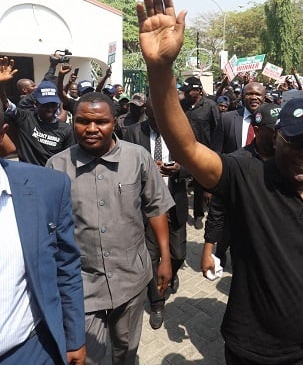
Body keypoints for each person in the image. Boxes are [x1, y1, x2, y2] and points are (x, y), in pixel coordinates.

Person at [137, 0, 303, 363]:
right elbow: (187, 147)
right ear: (275, 139)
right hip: (254, 351)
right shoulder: (247, 175)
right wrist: (161, 70)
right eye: (297, 143)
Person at [47, 92, 174, 365]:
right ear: (72, 122)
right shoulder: (56, 166)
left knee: (125, 352)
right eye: (82, 121)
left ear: (114, 122)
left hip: (131, 278)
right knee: (86, 357)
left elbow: (156, 208)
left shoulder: (138, 158)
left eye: (101, 122)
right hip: (81, 284)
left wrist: (165, 257)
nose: (91, 129)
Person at [0, 62, 86, 365]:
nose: (50, 111)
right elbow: (13, 107)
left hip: (46, 196)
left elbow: (65, 265)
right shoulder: (25, 118)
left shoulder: (64, 130)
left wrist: (74, 335)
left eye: (55, 107)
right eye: (45, 106)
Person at [123, 98, 188, 330]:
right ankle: (157, 303)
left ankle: (171, 270)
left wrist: (180, 170)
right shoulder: (130, 133)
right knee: (150, 257)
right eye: (153, 116)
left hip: (175, 203)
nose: (158, 121)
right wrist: (147, 167)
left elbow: (194, 161)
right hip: (146, 208)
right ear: (145, 112)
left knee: (179, 253)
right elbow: (123, 165)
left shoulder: (180, 130)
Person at [200, 102, 281, 277]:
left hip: (278, 245)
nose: (278, 135)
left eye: (281, 129)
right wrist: (208, 251)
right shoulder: (235, 163)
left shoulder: (286, 161)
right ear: (257, 130)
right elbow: (217, 210)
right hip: (245, 245)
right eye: (273, 130)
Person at [1, 78, 74, 166]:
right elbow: (7, 106)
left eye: (53, 104)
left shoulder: (66, 130)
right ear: (36, 104)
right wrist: (1, 85)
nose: (50, 108)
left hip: (53, 176)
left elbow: (69, 160)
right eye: (45, 105)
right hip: (27, 176)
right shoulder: (25, 118)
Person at [180, 76, 220, 229]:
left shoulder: (210, 106)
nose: (185, 94)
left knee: (200, 185)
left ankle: (198, 215)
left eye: (188, 91)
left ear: (197, 90)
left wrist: (215, 153)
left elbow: (217, 130)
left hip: (203, 152)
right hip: (184, 151)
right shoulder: (182, 105)